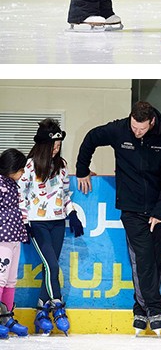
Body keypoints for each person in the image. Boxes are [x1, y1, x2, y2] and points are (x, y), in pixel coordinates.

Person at [75, 100, 161, 335]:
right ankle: (154, 309)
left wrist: (160, 212)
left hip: (158, 209)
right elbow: (91, 138)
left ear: (152, 122)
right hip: (131, 209)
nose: (136, 132)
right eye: (134, 127)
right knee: (141, 257)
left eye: (141, 129)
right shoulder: (119, 129)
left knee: (155, 259)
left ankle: (140, 309)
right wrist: (82, 169)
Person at [19, 119, 85, 336]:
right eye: (53, 146)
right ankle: (57, 306)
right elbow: (20, 195)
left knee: (50, 267)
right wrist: (25, 221)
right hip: (37, 224)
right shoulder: (30, 166)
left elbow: (65, 195)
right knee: (53, 268)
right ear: (43, 146)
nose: (56, 150)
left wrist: (72, 213)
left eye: (59, 147)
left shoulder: (62, 166)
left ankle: (40, 312)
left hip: (57, 223)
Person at [0, 148, 29, 338]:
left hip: (15, 236)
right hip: (2, 237)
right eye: (21, 169)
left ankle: (7, 317)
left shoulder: (12, 184)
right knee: (1, 279)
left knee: (11, 280)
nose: (23, 173)